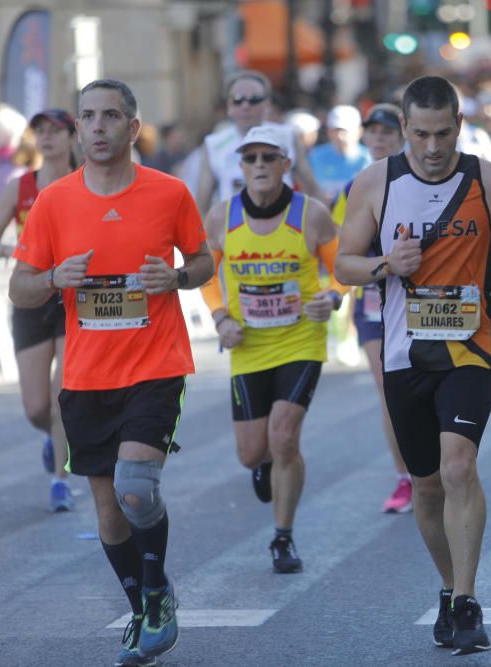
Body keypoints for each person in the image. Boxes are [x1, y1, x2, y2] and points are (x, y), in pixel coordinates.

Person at [8, 79, 214, 666]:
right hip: (86, 374)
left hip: (155, 363)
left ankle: (156, 594)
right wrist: (52, 280)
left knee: (136, 488)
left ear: (132, 127)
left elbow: (202, 261)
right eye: (88, 117)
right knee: (108, 510)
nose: (97, 127)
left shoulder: (170, 193)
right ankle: (142, 605)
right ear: (77, 130)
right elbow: (19, 289)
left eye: (110, 116)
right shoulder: (53, 202)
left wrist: (175, 277)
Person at [335, 75, 491, 656]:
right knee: (426, 486)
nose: (431, 147)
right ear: (403, 128)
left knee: (457, 467)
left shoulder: (488, 179)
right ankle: (449, 590)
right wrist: (383, 263)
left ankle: (469, 602)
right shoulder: (375, 183)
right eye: (420, 134)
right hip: (404, 354)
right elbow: (344, 266)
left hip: (471, 348)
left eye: (443, 133)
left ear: (459, 126)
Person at [199, 124, 342, 574]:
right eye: (250, 159)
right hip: (248, 344)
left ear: (286, 164)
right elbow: (205, 274)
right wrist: (221, 317)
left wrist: (332, 297)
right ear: (240, 167)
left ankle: (283, 537)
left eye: (268, 158)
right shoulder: (223, 217)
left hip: (300, 340)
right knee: (250, 452)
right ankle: (266, 466)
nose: (258, 166)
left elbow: (344, 271)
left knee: (284, 438)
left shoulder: (312, 214)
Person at [0, 108, 78, 512]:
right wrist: (12, 251)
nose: (46, 137)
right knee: (36, 406)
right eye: (39, 131)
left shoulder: (86, 181)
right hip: (31, 293)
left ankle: (60, 481)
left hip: (73, 297)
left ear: (73, 136)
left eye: (54, 130)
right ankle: (51, 437)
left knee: (60, 398)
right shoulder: (21, 187)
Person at [330, 103, 413, 513]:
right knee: (389, 392)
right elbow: (341, 252)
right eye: (372, 132)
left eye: (386, 132)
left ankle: (433, 469)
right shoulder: (354, 188)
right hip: (374, 302)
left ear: (402, 134)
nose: (379, 139)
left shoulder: (422, 181)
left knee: (425, 387)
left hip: (420, 304)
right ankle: (405, 478)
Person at [195, 70, 324, 212]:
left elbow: (312, 186)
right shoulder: (213, 144)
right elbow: (202, 202)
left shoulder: (287, 135)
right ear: (228, 106)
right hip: (234, 229)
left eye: (254, 99)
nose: (245, 106)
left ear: (267, 104)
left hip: (285, 226)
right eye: (237, 100)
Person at [309, 104, 373, 200]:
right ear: (328, 132)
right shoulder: (314, 156)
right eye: (335, 130)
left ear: (359, 131)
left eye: (345, 130)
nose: (339, 135)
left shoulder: (371, 158)